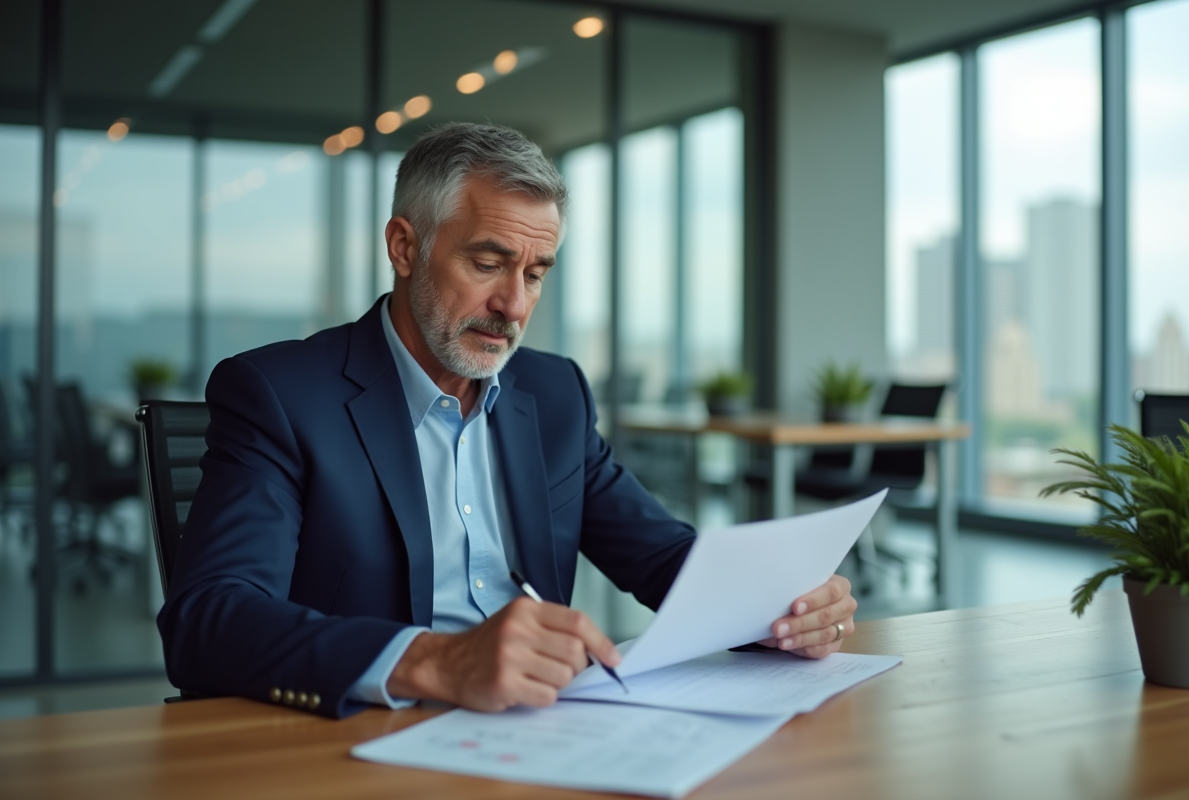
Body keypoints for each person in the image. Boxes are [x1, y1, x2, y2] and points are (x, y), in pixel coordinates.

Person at [158, 123, 857, 719]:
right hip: (363, 736)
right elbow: (208, 621)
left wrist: (775, 607)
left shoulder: (554, 393)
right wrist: (435, 662)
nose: (514, 305)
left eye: (537, 272)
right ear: (405, 247)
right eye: (488, 263)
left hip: (541, 734)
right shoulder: (279, 393)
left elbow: (660, 556)